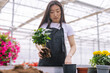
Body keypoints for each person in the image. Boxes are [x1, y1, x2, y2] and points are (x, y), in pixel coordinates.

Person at [36, 0, 76, 66]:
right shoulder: (44, 26)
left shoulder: (67, 27)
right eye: (52, 12)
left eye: (57, 11)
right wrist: (40, 49)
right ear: (48, 13)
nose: (55, 14)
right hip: (45, 63)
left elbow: (73, 45)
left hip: (60, 63)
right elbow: (37, 42)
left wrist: (69, 56)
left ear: (61, 12)